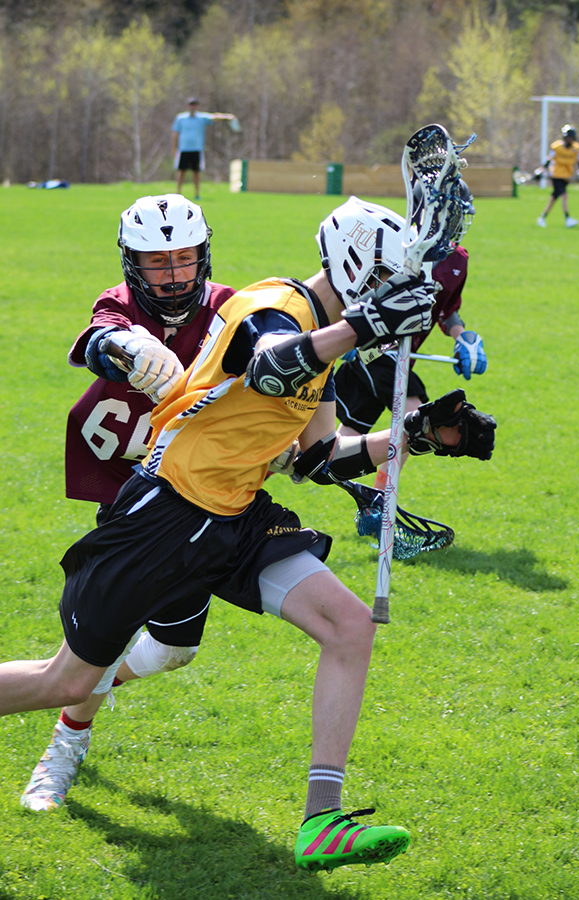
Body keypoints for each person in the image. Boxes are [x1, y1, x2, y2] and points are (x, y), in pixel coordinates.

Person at [1, 196, 496, 874]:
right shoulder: (275, 307)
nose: (394, 303)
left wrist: (409, 437)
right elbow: (269, 364)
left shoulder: (326, 339)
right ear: (354, 268)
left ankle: (322, 820)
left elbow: (321, 458)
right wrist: (362, 326)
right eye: (385, 285)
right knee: (65, 681)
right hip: (163, 515)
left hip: (237, 518)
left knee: (350, 627)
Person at [20, 194, 236, 812]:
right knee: (103, 642)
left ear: (205, 255)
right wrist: (123, 350)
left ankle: (91, 684)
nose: (172, 276)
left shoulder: (230, 307)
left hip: (205, 499)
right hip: (132, 497)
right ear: (132, 262)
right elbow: (100, 334)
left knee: (174, 649)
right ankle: (66, 741)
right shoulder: (121, 302)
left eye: (184, 260)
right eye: (157, 263)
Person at [335, 182, 487, 488]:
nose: (459, 224)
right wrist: (347, 334)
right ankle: (379, 499)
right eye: (454, 216)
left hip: (400, 358)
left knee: (335, 448)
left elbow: (444, 310)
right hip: (376, 349)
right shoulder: (396, 245)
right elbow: (356, 291)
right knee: (418, 419)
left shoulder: (457, 261)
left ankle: (276, 463)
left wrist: (462, 337)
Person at [172, 97, 236, 199]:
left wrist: (227, 117)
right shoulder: (180, 118)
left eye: (194, 104)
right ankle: (178, 193)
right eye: (191, 104)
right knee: (181, 171)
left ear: (197, 106)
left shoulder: (201, 118)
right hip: (184, 149)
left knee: (196, 172)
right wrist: (174, 148)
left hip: (196, 148)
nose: (192, 107)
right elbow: (175, 133)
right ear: (188, 106)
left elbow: (214, 117)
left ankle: (197, 194)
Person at [537, 124, 579, 228]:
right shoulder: (557, 147)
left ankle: (542, 217)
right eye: (568, 137)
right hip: (557, 174)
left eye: (571, 138)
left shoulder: (576, 148)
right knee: (564, 195)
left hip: (567, 176)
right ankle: (567, 218)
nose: (569, 140)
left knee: (554, 197)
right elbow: (549, 159)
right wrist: (542, 170)